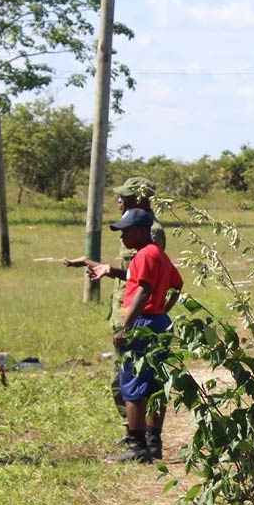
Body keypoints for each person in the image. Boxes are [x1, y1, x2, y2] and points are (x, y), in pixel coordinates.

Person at [63, 177, 165, 442]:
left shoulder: (150, 230)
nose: (119, 201)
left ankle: (140, 437)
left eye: (125, 196)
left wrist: (108, 271)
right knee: (129, 378)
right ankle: (136, 433)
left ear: (140, 199)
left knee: (134, 379)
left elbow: (148, 276)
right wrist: (93, 263)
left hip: (138, 315)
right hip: (126, 308)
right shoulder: (131, 227)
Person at [97, 208, 182, 463]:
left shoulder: (145, 255)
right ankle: (154, 443)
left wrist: (125, 326)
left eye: (126, 230)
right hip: (160, 323)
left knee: (132, 386)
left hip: (141, 322)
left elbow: (142, 292)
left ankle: (137, 446)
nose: (122, 236)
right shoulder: (159, 255)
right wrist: (164, 309)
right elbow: (177, 284)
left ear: (143, 231)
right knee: (156, 385)